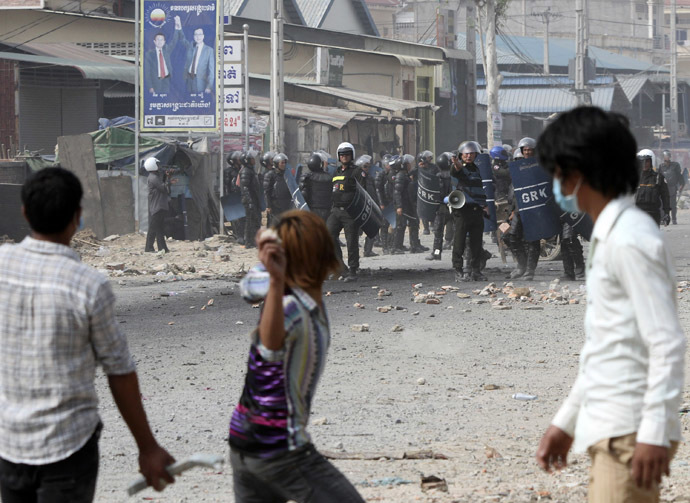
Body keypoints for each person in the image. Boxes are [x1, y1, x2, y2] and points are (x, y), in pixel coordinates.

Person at [535, 107, 685, 503]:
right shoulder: (609, 235)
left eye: (557, 172)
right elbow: (607, 346)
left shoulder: (629, 239)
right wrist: (566, 421)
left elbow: (666, 342)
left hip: (630, 434)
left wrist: (653, 432)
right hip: (612, 428)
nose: (555, 184)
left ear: (578, 172)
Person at [0, 167, 175, 502]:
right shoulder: (88, 285)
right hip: (68, 447)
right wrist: (147, 447)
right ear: (77, 217)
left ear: (24, 212)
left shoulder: (2, 264)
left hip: (10, 444)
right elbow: (120, 372)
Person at [229, 211, 364, 503]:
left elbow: (248, 286)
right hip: (279, 448)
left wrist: (271, 270)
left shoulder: (291, 293)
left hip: (244, 441)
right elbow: (269, 348)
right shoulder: (290, 306)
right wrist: (276, 283)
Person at [450, 142, 488, 282]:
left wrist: (485, 206)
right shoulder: (458, 168)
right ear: (461, 155)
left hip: (477, 210)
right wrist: (456, 163)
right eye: (466, 153)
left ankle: (476, 270)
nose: (468, 156)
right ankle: (458, 270)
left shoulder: (478, 170)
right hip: (463, 210)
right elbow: (457, 170)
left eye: (471, 153)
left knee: (476, 243)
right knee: (459, 242)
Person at [327, 142, 362, 282]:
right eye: (342, 155)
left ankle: (353, 270)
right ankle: (341, 268)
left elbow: (363, 192)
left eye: (347, 154)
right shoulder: (336, 171)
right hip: (336, 210)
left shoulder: (357, 171)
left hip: (350, 212)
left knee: (351, 241)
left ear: (351, 155)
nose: (344, 157)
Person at [392, 154, 425, 254]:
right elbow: (397, 192)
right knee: (400, 226)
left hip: (409, 204)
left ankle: (414, 245)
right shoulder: (400, 176)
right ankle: (396, 247)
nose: (409, 165)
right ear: (403, 165)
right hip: (403, 205)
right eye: (408, 164)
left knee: (414, 223)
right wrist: (399, 206)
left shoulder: (405, 175)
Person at [426, 152, 454, 261]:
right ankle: (464, 253)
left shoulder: (437, 177)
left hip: (441, 208)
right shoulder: (455, 175)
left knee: (438, 234)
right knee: (459, 232)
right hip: (454, 207)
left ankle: (437, 253)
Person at [144, 20, 182, 96]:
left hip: (167, 81)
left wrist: (177, 29)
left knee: (166, 100)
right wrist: (150, 86)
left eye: (161, 40)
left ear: (164, 42)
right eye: (158, 40)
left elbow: (174, 41)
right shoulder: (149, 54)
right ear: (154, 41)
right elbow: (147, 72)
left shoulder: (167, 50)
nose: (160, 42)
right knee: (157, 101)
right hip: (156, 82)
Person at [635, 149, 671, 227]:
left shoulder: (658, 178)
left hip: (653, 214)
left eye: (647, 161)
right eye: (642, 161)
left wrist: (666, 213)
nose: (644, 164)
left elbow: (665, 196)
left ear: (652, 161)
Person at [180, 24, 215, 96]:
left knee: (199, 103)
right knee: (188, 101)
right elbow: (182, 39)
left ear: (203, 36)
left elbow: (211, 71)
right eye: (196, 35)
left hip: (200, 82)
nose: (198, 37)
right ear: (193, 37)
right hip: (188, 80)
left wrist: (209, 87)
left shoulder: (209, 50)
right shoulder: (190, 46)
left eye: (200, 34)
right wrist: (179, 27)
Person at [144, 157, 170, 253]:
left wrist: (166, 177)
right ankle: (148, 248)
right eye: (157, 165)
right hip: (157, 207)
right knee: (153, 229)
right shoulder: (153, 177)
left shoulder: (155, 176)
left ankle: (162, 248)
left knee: (159, 229)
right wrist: (168, 179)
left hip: (159, 206)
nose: (159, 167)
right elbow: (163, 188)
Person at [355, 155, 379, 257]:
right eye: (365, 166)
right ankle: (354, 251)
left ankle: (368, 250)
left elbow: (374, 192)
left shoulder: (370, 178)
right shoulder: (355, 178)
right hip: (359, 208)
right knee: (356, 232)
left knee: (372, 228)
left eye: (368, 167)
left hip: (370, 206)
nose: (367, 169)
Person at [299, 152, 333, 224]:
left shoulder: (306, 177)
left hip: (312, 209)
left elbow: (303, 195)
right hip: (327, 210)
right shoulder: (329, 177)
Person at [240, 150, 262, 249]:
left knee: (256, 220)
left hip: (254, 199)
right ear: (247, 160)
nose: (254, 160)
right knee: (249, 221)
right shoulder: (245, 171)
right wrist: (249, 201)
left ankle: (254, 241)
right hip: (249, 200)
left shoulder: (251, 170)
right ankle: (248, 242)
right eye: (252, 159)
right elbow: (245, 188)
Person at [264, 153, 292, 226]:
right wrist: (268, 206)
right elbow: (267, 192)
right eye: (282, 163)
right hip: (275, 204)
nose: (284, 164)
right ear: (276, 164)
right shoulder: (270, 175)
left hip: (286, 204)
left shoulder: (287, 175)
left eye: (285, 163)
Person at [658, 150, 684, 224]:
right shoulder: (661, 166)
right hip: (663, 188)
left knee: (672, 204)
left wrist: (681, 184)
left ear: (669, 157)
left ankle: (674, 219)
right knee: (662, 204)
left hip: (672, 187)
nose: (666, 158)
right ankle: (664, 218)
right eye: (665, 156)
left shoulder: (675, 165)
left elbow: (679, 175)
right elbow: (659, 177)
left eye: (667, 156)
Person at [375, 154, 394, 254]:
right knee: (384, 225)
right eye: (387, 164)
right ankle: (385, 246)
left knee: (393, 224)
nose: (389, 165)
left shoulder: (392, 174)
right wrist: (381, 203)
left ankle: (391, 245)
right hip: (384, 202)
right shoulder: (380, 175)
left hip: (391, 201)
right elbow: (378, 190)